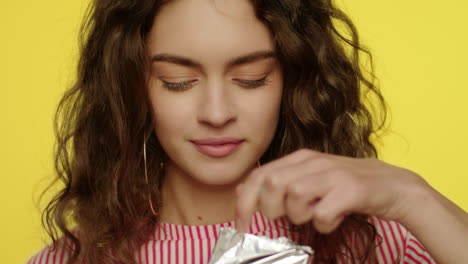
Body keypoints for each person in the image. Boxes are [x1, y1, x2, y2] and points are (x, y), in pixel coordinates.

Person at [27, 0, 468, 263]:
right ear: (130, 88)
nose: (217, 113)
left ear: (292, 81)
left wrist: (413, 197)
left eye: (251, 77)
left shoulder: (373, 242)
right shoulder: (75, 259)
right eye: (178, 81)